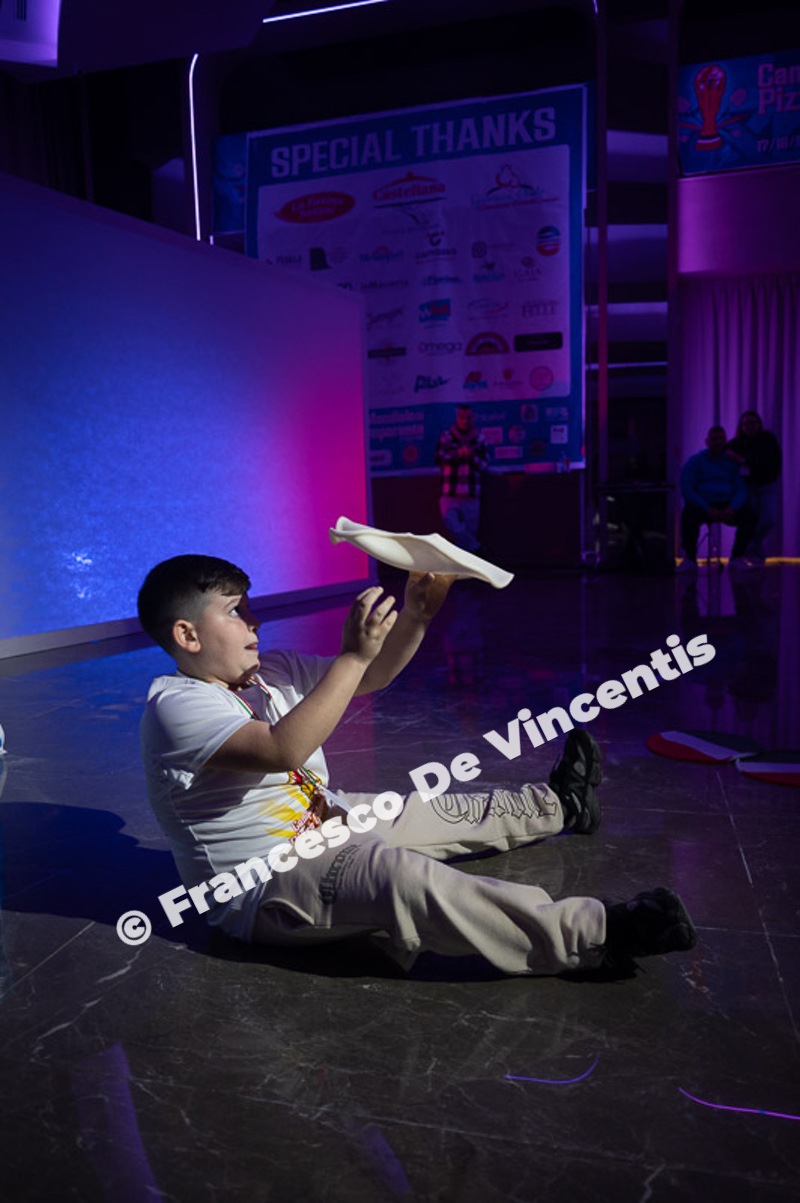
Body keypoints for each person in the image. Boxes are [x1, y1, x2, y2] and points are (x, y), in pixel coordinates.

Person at [137, 554, 697, 978]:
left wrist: (417, 615)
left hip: (324, 819)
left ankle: (560, 805)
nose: (254, 620)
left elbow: (371, 674)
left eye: (249, 606)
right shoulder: (175, 704)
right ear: (187, 635)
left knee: (430, 811)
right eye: (236, 612)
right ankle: (593, 935)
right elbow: (281, 750)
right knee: (405, 879)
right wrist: (352, 655)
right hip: (264, 886)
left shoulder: (271, 671)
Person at [678, 425, 757, 573]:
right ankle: (689, 559)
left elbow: (741, 488)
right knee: (688, 514)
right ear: (707, 441)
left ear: (726, 441)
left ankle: (737, 557)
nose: (718, 442)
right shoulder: (695, 461)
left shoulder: (733, 462)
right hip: (704, 503)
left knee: (750, 514)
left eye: (721, 439)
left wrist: (732, 507)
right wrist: (707, 508)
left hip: (728, 504)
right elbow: (687, 489)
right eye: (714, 439)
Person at [726, 410, 782, 565]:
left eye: (753, 423)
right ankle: (755, 552)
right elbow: (724, 451)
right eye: (746, 423)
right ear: (741, 426)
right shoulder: (737, 443)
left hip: (767, 486)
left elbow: (767, 460)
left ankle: (751, 547)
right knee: (751, 520)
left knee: (769, 519)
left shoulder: (768, 440)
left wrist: (743, 460)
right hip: (748, 487)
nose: (749, 426)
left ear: (759, 424)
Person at [435, 405, 489, 553]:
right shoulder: (446, 437)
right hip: (450, 493)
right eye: (462, 417)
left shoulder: (480, 439)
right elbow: (438, 460)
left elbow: (485, 466)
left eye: (468, 417)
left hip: (471, 494)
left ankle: (466, 564)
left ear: (473, 418)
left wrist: (472, 456)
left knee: (468, 534)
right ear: (456, 418)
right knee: (452, 525)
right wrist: (457, 454)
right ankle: (477, 547)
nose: (465, 421)